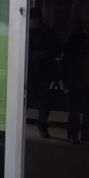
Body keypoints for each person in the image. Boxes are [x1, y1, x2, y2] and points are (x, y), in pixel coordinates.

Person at [27, 8, 62, 138]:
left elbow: (57, 49)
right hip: (27, 74)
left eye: (36, 18)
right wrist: (31, 56)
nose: (34, 21)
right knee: (23, 101)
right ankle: (18, 127)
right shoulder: (24, 31)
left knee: (44, 103)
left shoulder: (49, 32)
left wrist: (45, 55)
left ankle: (43, 127)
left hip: (44, 73)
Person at [65, 10, 89, 144]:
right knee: (74, 110)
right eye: (85, 22)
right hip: (77, 81)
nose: (87, 25)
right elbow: (67, 61)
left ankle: (86, 134)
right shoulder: (75, 39)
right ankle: (72, 134)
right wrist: (65, 79)